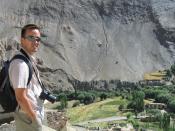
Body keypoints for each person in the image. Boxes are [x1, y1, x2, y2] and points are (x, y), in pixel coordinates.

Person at [9, 24, 44, 131]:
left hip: (29, 115)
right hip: (27, 117)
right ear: (22, 40)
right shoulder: (20, 64)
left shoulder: (27, 60)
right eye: (31, 38)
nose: (35, 42)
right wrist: (34, 118)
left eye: (38, 39)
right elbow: (20, 97)